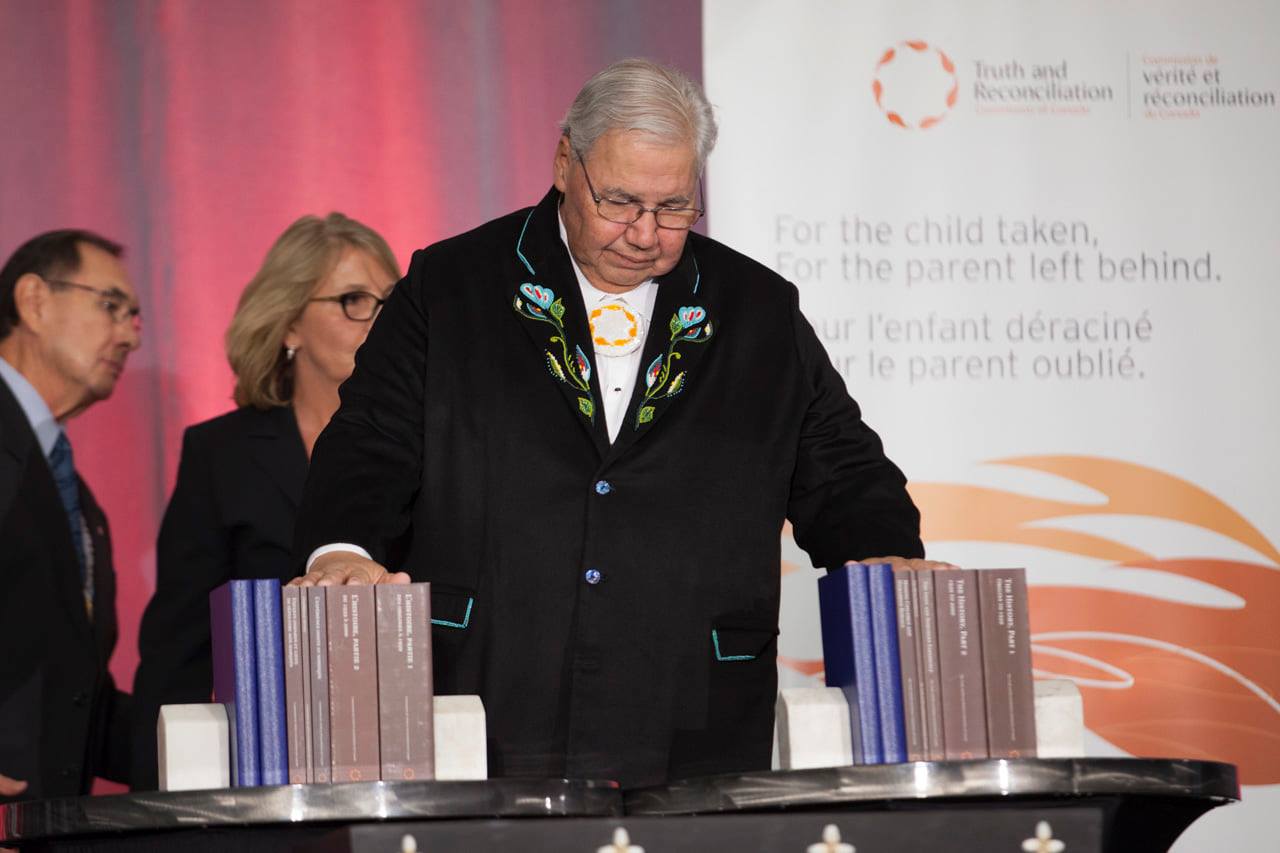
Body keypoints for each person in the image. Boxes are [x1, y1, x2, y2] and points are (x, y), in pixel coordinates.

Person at [292, 59, 945, 788]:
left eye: (673, 207)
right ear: (565, 162)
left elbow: (844, 467)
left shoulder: (756, 309)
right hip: (486, 693)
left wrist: (883, 552)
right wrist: (341, 550)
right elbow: (371, 440)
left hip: (691, 708)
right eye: (621, 201)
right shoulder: (452, 287)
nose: (645, 233)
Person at [129, 214, 399, 789]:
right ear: (289, 325)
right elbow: (178, 642)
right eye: (353, 299)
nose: (378, 319)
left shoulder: (436, 445)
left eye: (389, 300)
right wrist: (158, 797)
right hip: (265, 761)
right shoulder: (220, 453)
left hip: (407, 749)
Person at [0, 230, 140, 801]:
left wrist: (239, 749)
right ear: (33, 301)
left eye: (135, 316)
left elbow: (78, 694)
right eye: (111, 306)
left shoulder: (75, 496)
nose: (131, 334)